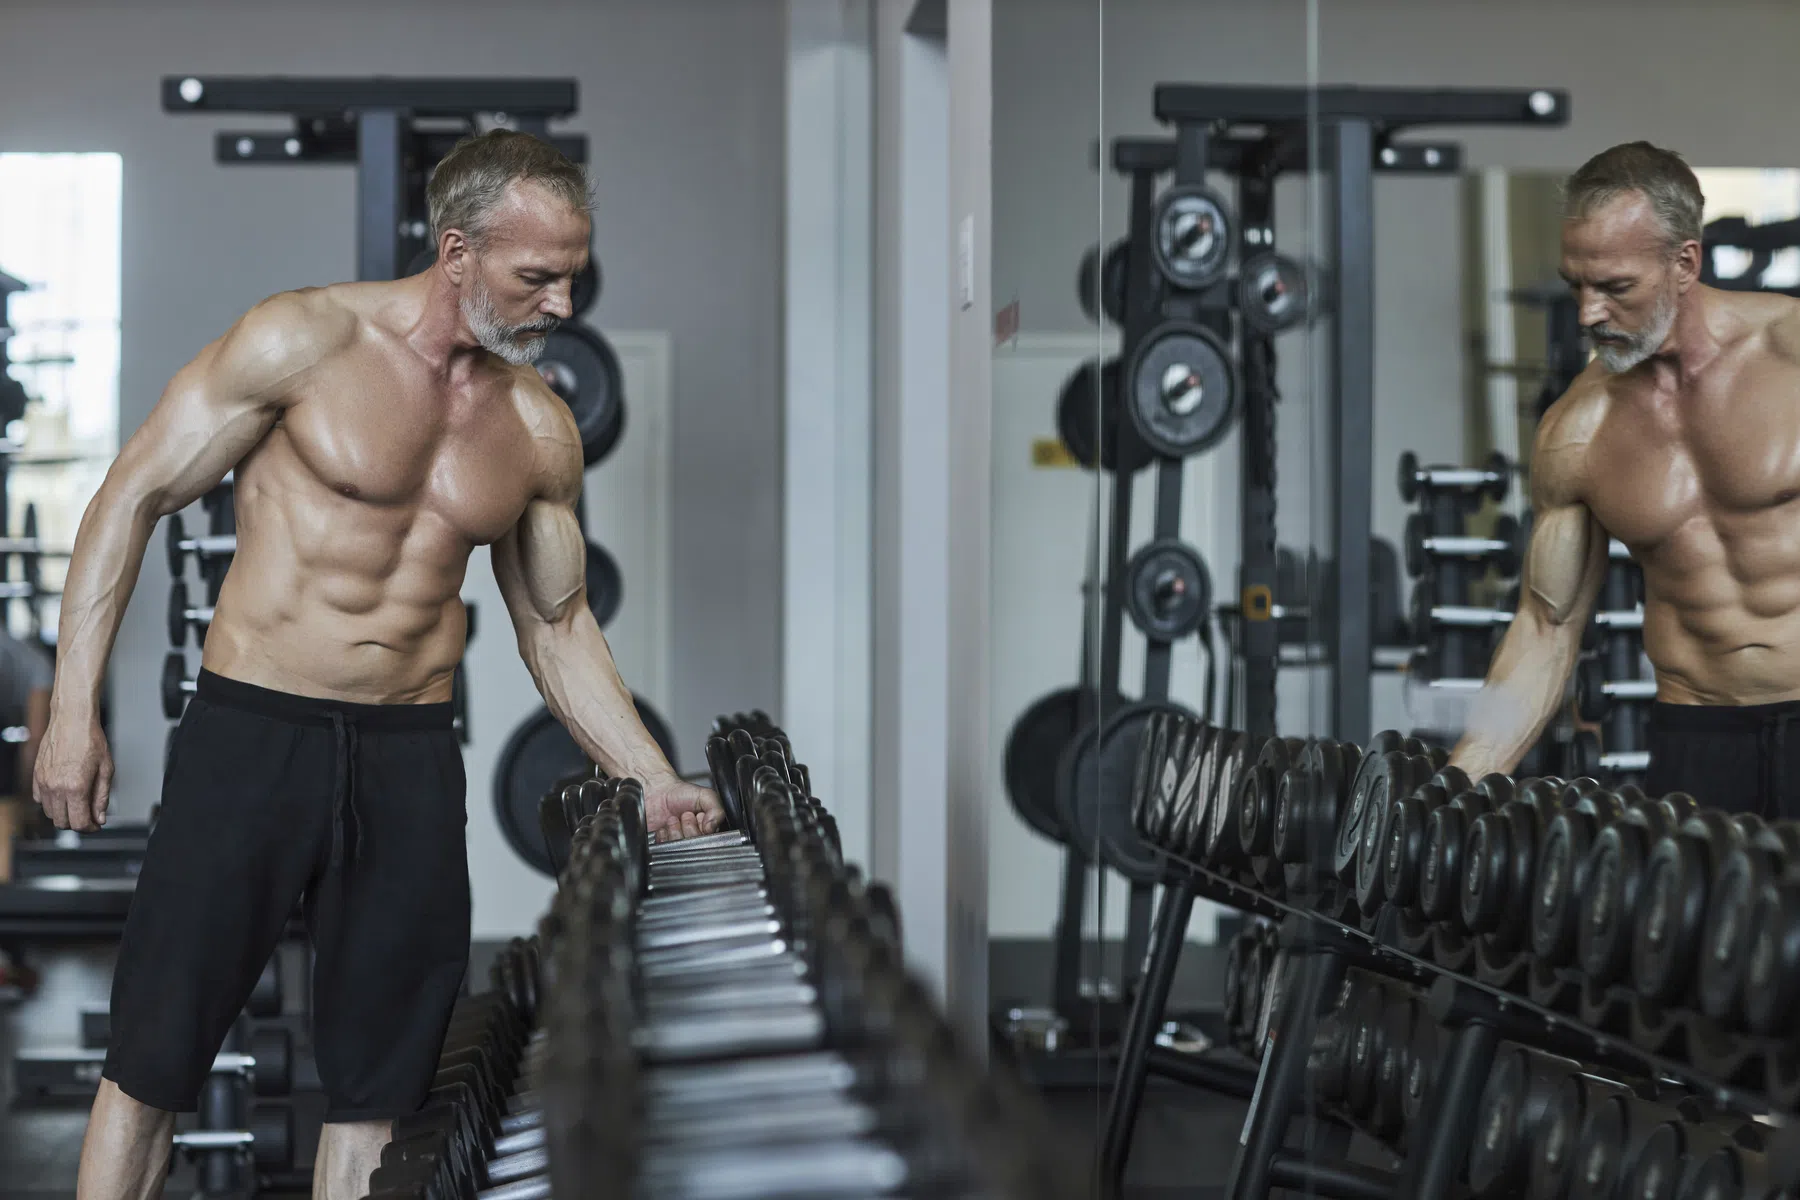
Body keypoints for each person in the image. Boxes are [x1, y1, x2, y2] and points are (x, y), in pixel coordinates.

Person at [34, 130, 725, 1200]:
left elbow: (556, 622)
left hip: (409, 754)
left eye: (572, 277)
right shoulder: (299, 341)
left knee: (377, 1089)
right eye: (535, 276)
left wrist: (651, 772)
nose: (561, 305)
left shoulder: (539, 427)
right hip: (253, 736)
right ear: (457, 252)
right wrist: (72, 712)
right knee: (152, 1060)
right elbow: (131, 496)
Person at [1449, 141, 1800, 817]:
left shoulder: (1789, 358)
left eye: (1614, 288)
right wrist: (1462, 781)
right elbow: (1546, 632)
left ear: (1684, 263)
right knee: (1697, 927)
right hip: (1699, 738)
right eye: (1575, 286)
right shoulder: (1577, 431)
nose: (1588, 314)